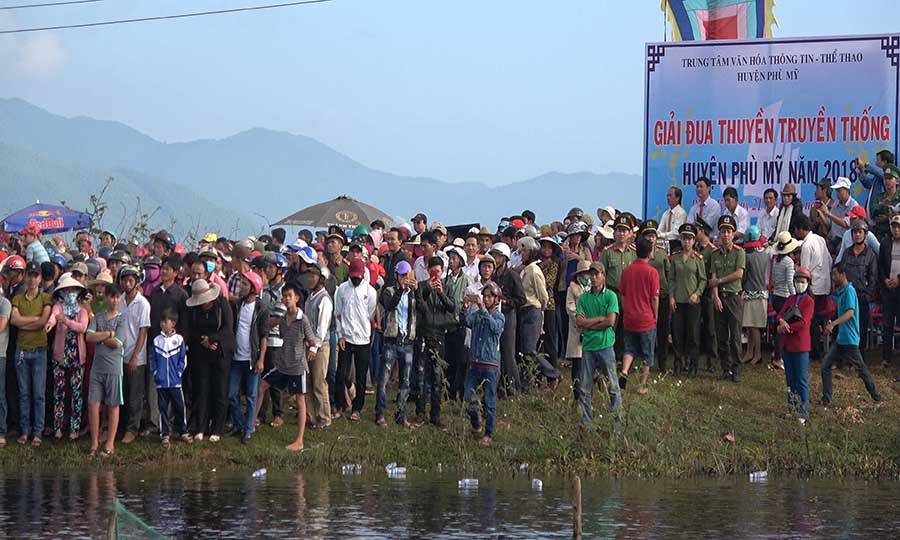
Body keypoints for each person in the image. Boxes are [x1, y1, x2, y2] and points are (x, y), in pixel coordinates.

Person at [257, 282, 316, 452]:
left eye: (289, 296)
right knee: (262, 386)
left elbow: (312, 340)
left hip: (297, 366)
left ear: (296, 298)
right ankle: (253, 422)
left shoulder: (302, 319)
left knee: (300, 401)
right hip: (282, 364)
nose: (286, 299)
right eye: (284, 297)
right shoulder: (283, 319)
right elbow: (281, 334)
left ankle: (299, 440)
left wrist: (311, 350)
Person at [821, 264, 881, 405]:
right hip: (842, 338)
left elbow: (850, 312)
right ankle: (826, 399)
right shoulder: (842, 292)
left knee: (860, 368)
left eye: (835, 274)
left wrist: (834, 324)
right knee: (826, 365)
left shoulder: (849, 291)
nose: (833, 277)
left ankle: (876, 396)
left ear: (843, 275)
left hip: (850, 338)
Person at [185, 278, 234, 442]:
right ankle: (201, 426)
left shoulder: (222, 305)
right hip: (201, 352)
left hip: (221, 353)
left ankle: (217, 428)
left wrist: (213, 339)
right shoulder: (194, 311)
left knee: (220, 390)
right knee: (202, 389)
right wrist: (204, 341)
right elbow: (191, 330)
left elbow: (228, 328)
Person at [575, 262, 622, 432]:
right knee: (585, 388)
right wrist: (599, 319)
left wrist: (590, 323)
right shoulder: (584, 297)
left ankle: (616, 425)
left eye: (597, 274)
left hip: (605, 345)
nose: (593, 278)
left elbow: (610, 321)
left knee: (613, 387)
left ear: (603, 275)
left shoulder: (610, 296)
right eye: (591, 274)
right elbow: (579, 323)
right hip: (588, 346)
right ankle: (587, 424)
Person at [10, 261, 52, 446]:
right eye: (30, 275)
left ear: (40, 278)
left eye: (36, 275)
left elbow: (43, 322)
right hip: (21, 350)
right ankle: (25, 431)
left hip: (39, 350)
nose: (33, 279)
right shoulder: (18, 298)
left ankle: (38, 432)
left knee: (39, 394)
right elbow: (14, 320)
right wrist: (34, 321)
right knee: (24, 393)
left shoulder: (45, 298)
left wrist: (24, 322)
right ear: (26, 277)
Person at [45, 276, 90, 442]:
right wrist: (50, 324)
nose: (70, 293)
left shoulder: (82, 311)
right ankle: (58, 428)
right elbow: (53, 316)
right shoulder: (59, 307)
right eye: (67, 290)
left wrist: (67, 321)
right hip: (60, 356)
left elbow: (82, 327)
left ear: (78, 292)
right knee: (59, 392)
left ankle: (74, 429)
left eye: (73, 290)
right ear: (62, 292)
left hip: (77, 357)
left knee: (76, 394)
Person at [462, 281, 505, 446]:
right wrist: (465, 306)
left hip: (490, 364)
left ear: (496, 299)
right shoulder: (478, 314)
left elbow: (495, 328)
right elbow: (466, 322)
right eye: (484, 296)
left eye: (489, 297)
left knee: (490, 399)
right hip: (475, 362)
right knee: (468, 396)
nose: (486, 299)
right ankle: (476, 424)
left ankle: (489, 433)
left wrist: (482, 310)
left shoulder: (499, 316)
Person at [415, 256, 456, 426]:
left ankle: (435, 415)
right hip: (424, 334)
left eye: (438, 272)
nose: (435, 275)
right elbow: (419, 306)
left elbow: (452, 308)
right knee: (421, 376)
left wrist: (441, 294)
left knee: (438, 378)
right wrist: (426, 290)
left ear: (442, 272)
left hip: (439, 335)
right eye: (432, 271)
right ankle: (420, 413)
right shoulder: (422, 285)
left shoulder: (446, 287)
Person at [85, 283, 125, 458]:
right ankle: (94, 443)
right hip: (97, 367)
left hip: (114, 367)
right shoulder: (98, 316)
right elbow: (88, 336)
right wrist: (108, 334)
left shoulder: (123, 319)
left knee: (113, 405)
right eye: (112, 297)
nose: (115, 300)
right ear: (106, 297)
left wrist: (100, 337)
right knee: (93, 404)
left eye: (117, 297)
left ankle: (110, 443)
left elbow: (118, 343)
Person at [228, 271, 268, 444]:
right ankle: (238, 424)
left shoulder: (261, 308)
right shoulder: (238, 305)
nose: (241, 287)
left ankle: (249, 429)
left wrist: (261, 359)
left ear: (254, 288)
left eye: (245, 284)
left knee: (252, 395)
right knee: (232, 394)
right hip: (236, 358)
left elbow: (263, 336)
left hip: (251, 358)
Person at [334, 259, 376, 421]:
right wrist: (340, 335)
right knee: (341, 374)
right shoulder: (343, 289)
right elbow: (338, 313)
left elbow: (370, 313)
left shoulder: (370, 291)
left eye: (358, 277)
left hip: (363, 339)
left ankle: (357, 408)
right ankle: (340, 405)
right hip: (346, 338)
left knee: (360, 375)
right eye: (353, 277)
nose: (355, 280)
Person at [377, 260, 417, 428]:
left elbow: (420, 309)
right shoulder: (389, 291)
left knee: (405, 381)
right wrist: (400, 290)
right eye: (402, 276)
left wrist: (418, 291)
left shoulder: (413, 294)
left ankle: (401, 415)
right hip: (391, 340)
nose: (404, 279)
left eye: (407, 275)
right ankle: (380, 413)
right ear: (396, 276)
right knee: (384, 379)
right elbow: (389, 305)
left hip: (407, 341)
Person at [618, 238, 659, 394]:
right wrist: (655, 316)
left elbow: (622, 295)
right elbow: (654, 298)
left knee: (629, 348)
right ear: (649, 253)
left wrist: (626, 309)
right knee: (647, 353)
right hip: (645, 318)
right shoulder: (652, 272)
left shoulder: (627, 271)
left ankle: (625, 370)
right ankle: (642, 385)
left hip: (629, 316)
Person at [117, 265, 152, 443]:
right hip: (119, 354)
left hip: (136, 357)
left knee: (134, 395)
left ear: (137, 282)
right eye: (125, 279)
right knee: (121, 394)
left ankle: (132, 429)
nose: (127, 283)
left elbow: (143, 332)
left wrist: (135, 356)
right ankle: (121, 427)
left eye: (131, 279)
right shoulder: (120, 300)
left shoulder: (143, 303)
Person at [709, 215, 745, 382]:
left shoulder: (739, 252)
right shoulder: (715, 254)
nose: (725, 235)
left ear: (733, 234)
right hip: (720, 298)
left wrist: (720, 281)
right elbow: (713, 277)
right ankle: (726, 369)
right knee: (721, 336)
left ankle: (737, 369)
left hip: (734, 298)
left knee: (735, 336)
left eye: (728, 231)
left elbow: (739, 273)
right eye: (723, 231)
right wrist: (715, 296)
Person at [776, 267, 814, 424]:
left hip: (800, 345)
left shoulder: (809, 301)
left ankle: (804, 413)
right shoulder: (791, 298)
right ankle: (791, 408)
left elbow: (804, 322)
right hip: (787, 345)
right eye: (797, 281)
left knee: (801, 379)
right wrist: (781, 322)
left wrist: (787, 327)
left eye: (802, 281)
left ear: (808, 283)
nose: (799, 283)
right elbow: (780, 313)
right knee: (790, 379)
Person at [149, 309, 191, 447]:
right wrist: (156, 373)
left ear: (173, 323)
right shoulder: (156, 340)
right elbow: (153, 359)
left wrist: (178, 373)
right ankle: (165, 434)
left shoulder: (178, 340)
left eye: (165, 321)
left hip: (175, 382)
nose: (162, 324)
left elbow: (183, 359)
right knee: (163, 408)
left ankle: (183, 431)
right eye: (161, 321)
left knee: (180, 407)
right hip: (161, 383)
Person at [669, 223, 706, 377]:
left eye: (690, 239)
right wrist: (671, 296)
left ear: (694, 241)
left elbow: (703, 280)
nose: (687, 242)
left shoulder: (698, 258)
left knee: (693, 335)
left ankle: (693, 365)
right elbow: (671, 278)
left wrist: (697, 294)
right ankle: (678, 363)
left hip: (693, 303)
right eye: (684, 238)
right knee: (677, 334)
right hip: (678, 301)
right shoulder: (675, 257)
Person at [489, 242, 525, 398]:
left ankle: (515, 388)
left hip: (509, 316)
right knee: (496, 352)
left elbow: (522, 299)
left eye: (497, 256)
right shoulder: (493, 275)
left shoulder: (512, 275)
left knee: (509, 353)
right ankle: (500, 387)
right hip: (495, 315)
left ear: (504, 258)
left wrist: (506, 302)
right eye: (494, 256)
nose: (495, 259)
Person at [795, 214, 832, 360]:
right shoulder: (820, 239)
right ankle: (817, 349)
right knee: (816, 318)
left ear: (799, 229)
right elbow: (829, 260)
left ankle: (814, 350)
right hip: (824, 284)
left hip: (813, 286)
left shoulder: (806, 245)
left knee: (811, 319)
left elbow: (804, 271)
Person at [516, 236, 548, 389]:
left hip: (532, 310)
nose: (521, 254)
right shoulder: (526, 270)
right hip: (525, 310)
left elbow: (544, 296)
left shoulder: (534, 271)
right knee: (525, 350)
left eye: (524, 251)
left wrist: (540, 315)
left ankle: (552, 373)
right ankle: (526, 382)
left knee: (529, 350)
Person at [304, 264, 333, 429]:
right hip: (309, 344)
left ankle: (324, 417)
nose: (310, 278)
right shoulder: (311, 297)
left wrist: (314, 348)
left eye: (314, 276)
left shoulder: (324, 299)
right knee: (308, 382)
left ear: (321, 279)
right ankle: (312, 416)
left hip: (320, 347)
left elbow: (322, 327)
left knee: (319, 382)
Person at [640, 220, 671, 372]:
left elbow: (668, 273)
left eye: (653, 235)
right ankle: (647, 361)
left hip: (662, 295)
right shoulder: (639, 255)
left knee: (663, 330)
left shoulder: (662, 253)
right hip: (646, 298)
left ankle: (663, 362)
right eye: (647, 236)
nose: (651, 239)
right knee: (647, 331)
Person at [443, 246, 471, 400]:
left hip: (460, 326)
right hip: (447, 326)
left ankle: (457, 392)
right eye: (450, 259)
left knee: (460, 361)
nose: (451, 262)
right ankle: (448, 392)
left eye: (454, 259)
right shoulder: (444, 280)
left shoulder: (467, 280)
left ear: (461, 261)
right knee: (448, 361)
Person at [771, 232, 802, 370]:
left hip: (777, 296)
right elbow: (790, 282)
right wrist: (795, 298)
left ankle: (776, 353)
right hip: (785, 297)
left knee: (779, 326)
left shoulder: (777, 260)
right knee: (783, 328)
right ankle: (778, 356)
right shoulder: (788, 262)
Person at [740, 226, 769, 366]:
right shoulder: (765, 254)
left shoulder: (747, 257)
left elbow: (743, 277)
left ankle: (757, 354)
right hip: (762, 293)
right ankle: (750, 353)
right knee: (751, 325)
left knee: (753, 327)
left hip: (751, 293)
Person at [565, 260, 591, 397]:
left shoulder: (593, 288)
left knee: (589, 362)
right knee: (578, 363)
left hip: (592, 329)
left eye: (589, 273)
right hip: (577, 329)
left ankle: (588, 392)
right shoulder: (572, 288)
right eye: (584, 273)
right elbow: (570, 308)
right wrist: (581, 320)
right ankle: (577, 394)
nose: (587, 275)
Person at [695, 218, 718, 371]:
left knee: (711, 327)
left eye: (696, 231)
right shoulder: (695, 249)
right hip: (695, 291)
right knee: (695, 326)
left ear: (703, 231)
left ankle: (713, 360)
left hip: (708, 292)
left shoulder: (712, 250)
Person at [878, 215, 900, 367]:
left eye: (898, 227)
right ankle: (886, 358)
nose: (896, 230)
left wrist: (899, 278)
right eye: (894, 227)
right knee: (887, 324)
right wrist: (885, 279)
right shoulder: (885, 243)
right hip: (888, 290)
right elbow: (880, 266)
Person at [538, 236, 562, 368]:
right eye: (544, 247)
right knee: (540, 340)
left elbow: (549, 282)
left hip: (550, 304)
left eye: (549, 247)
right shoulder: (537, 264)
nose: (546, 250)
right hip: (538, 305)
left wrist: (537, 281)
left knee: (551, 338)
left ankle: (553, 368)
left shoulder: (554, 264)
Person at [858, 149, 895, 225]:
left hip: (882, 220)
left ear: (884, 162)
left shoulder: (889, 175)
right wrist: (861, 170)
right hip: (872, 219)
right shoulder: (877, 177)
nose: (876, 163)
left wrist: (866, 166)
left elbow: (883, 174)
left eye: (878, 160)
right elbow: (868, 184)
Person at [821, 177, 858, 248]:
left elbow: (846, 224)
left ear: (846, 190)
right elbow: (829, 223)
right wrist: (821, 213)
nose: (837, 193)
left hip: (845, 239)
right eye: (836, 191)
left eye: (839, 191)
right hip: (833, 238)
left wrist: (829, 214)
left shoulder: (853, 205)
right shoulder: (836, 203)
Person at [872, 164, 900, 240]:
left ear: (897, 181)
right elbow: (872, 213)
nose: (887, 181)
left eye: (890, 178)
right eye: (885, 178)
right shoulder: (880, 197)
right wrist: (882, 205)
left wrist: (888, 218)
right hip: (880, 235)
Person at [0, 290, 9, 448]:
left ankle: (1, 432)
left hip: (0, 354)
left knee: (0, 395)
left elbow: (1, 326)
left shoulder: (4, 303)